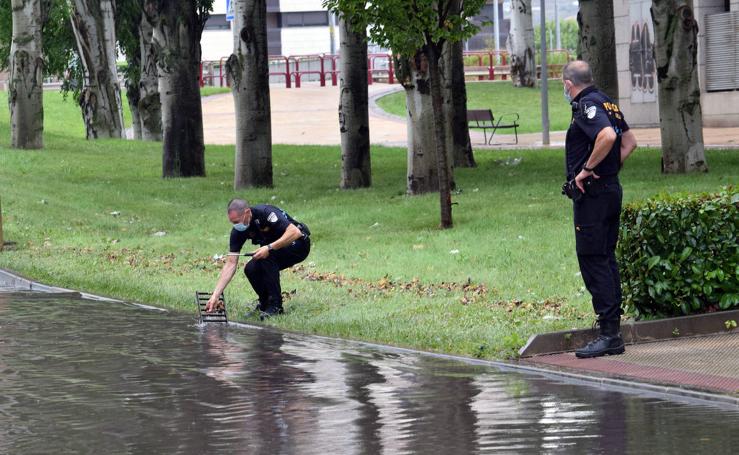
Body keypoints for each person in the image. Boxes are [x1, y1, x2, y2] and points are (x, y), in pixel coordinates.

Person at [561, 60, 638, 358]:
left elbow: (606, 137)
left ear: (569, 84)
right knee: (606, 257)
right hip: (610, 190)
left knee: (593, 258)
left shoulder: (586, 106)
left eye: (563, 86)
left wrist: (586, 171)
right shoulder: (608, 102)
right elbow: (629, 143)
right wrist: (608, 171)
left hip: (593, 196)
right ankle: (612, 330)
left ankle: (609, 335)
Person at [205, 199, 311, 318]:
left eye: (236, 221)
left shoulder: (266, 213)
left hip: (298, 244)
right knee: (250, 269)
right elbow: (230, 264)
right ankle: (265, 303)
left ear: (247, 212)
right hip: (275, 249)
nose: (235, 225)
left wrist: (269, 247)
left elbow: (295, 232)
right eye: (232, 222)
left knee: (266, 257)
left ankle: (276, 306)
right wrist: (215, 295)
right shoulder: (238, 231)